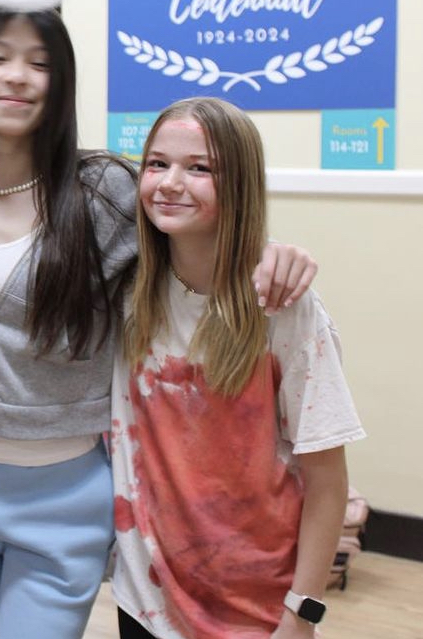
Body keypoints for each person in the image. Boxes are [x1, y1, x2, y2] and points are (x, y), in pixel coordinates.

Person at [0, 7, 318, 639]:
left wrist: (267, 253)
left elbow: (189, 225)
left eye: (39, 63)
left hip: (60, 488)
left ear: (62, 82)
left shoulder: (102, 189)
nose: (17, 76)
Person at [111, 97, 364, 639]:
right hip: (146, 599)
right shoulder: (126, 290)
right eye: (156, 163)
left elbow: (326, 480)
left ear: (240, 184)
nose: (170, 182)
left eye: (199, 168)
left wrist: (304, 612)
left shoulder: (283, 305)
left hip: (256, 608)